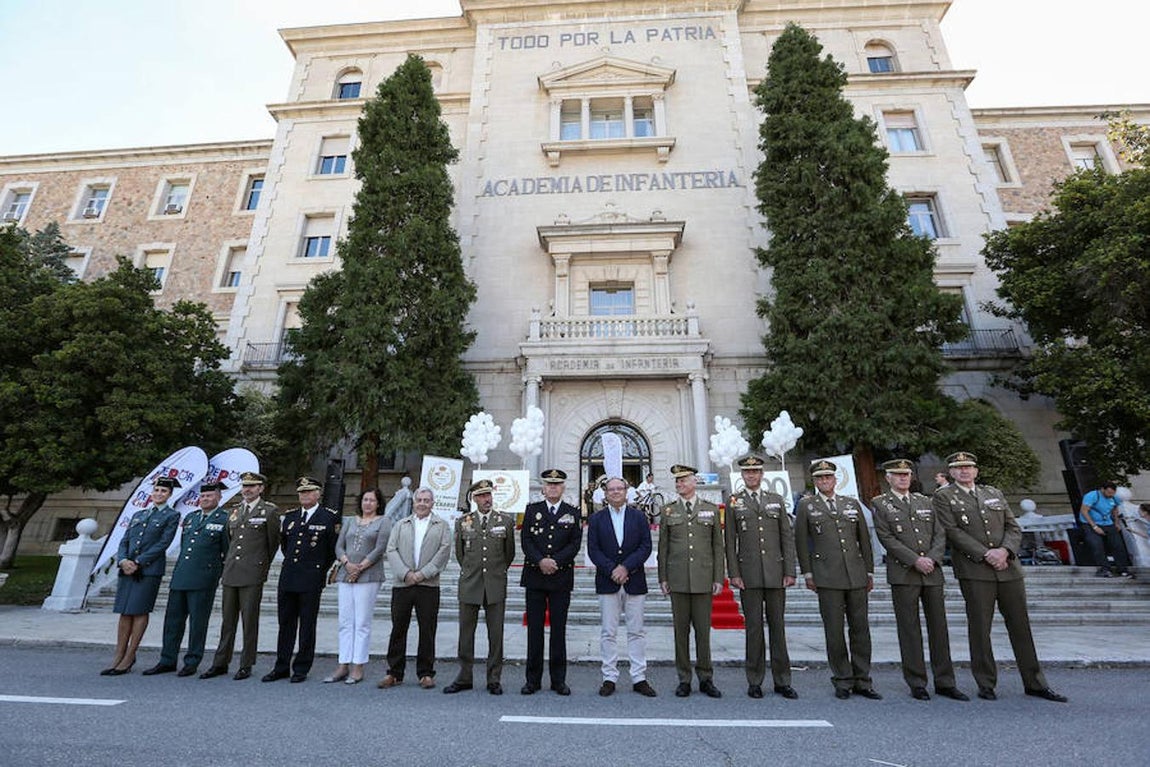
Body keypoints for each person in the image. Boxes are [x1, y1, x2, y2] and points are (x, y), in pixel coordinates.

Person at [933, 451, 1067, 702]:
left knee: (1021, 627)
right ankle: (986, 683)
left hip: (1008, 568)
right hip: (976, 570)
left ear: (976, 470)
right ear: (951, 472)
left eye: (969, 467)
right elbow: (951, 531)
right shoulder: (944, 497)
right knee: (980, 628)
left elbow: (1012, 526)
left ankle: (1035, 682)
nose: (965, 471)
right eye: (959, 468)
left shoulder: (993, 493)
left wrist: (1005, 551)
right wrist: (986, 554)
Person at [871, 459, 968, 702]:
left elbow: (940, 533)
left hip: (932, 572)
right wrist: (915, 560)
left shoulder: (926, 501)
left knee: (939, 628)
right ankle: (917, 681)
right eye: (897, 474)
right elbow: (886, 537)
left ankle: (945, 681)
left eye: (906, 474)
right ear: (888, 478)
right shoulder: (881, 504)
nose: (903, 478)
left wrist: (933, 559)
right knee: (909, 630)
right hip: (905, 573)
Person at [795, 459, 880, 700]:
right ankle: (842, 679)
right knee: (834, 631)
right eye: (820, 478)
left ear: (835, 479)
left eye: (828, 477)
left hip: (855, 574)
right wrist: (808, 573)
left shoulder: (850, 504)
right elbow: (802, 541)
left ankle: (863, 679)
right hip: (826, 575)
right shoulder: (807, 506)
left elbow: (864, 540)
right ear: (815, 481)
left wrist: (869, 571)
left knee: (860, 630)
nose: (824, 481)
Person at [725, 454, 797, 700]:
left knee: (778, 628)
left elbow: (786, 537)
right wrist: (734, 573)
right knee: (754, 630)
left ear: (762, 474)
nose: (751, 475)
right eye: (747, 472)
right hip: (749, 574)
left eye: (755, 471)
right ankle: (754, 680)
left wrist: (790, 570)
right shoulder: (734, 501)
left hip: (776, 574)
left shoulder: (776, 500)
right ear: (742, 475)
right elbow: (730, 541)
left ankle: (782, 680)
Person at [142, 481, 230, 677]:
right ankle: (167, 659)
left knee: (198, 623)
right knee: (172, 621)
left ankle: (192, 661)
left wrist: (216, 575)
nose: (205, 499)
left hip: (203, 578)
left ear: (218, 497)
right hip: (181, 576)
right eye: (203, 496)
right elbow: (184, 547)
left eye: (209, 496)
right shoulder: (190, 517)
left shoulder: (225, 519)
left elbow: (227, 551)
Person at [200, 471, 280, 681]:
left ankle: (246, 664)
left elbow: (272, 545)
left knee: (249, 621)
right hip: (231, 572)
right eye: (245, 486)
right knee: (227, 621)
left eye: (252, 486)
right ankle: (220, 662)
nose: (248, 489)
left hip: (252, 573)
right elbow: (229, 541)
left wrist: (261, 568)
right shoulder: (234, 512)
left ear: (261, 488)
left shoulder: (269, 512)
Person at [262, 476, 340, 683]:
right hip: (289, 576)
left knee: (307, 625)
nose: (304, 495)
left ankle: (301, 667)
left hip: (311, 578)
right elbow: (285, 545)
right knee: (285, 624)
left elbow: (332, 550)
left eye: (309, 492)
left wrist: (319, 571)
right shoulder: (290, 517)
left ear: (318, 494)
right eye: (301, 492)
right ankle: (281, 666)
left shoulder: (328, 518)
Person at [101, 477, 181, 675]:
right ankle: (118, 654)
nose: (159, 494)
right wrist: (123, 560)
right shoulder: (139, 514)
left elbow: (163, 543)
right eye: (157, 490)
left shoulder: (171, 515)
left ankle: (130, 655)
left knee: (139, 611)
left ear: (169, 494)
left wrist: (138, 562)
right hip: (127, 569)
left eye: (163, 491)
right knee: (124, 611)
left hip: (148, 570)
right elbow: (124, 541)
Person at [444, 479, 516, 695]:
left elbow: (509, 553)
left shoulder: (505, 521)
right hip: (470, 584)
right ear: (474, 499)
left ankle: (494, 678)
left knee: (496, 634)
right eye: (482, 496)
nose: (487, 499)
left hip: (495, 584)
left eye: (489, 495)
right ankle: (464, 676)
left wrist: (496, 572)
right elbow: (460, 554)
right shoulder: (463, 522)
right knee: (466, 633)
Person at [658, 464, 724, 699]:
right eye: (677, 481)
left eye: (684, 480)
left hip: (703, 578)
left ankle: (706, 677)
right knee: (681, 632)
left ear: (695, 482)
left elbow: (718, 546)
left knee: (703, 633)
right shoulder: (668, 511)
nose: (680, 485)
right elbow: (663, 548)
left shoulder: (711, 509)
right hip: (677, 580)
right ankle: (684, 678)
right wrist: (663, 578)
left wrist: (718, 577)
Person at [586, 476, 656, 697]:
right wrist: (612, 569)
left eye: (619, 489)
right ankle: (609, 677)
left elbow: (645, 546)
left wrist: (625, 567)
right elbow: (593, 549)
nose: (615, 492)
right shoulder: (597, 519)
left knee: (636, 632)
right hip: (608, 582)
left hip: (634, 580)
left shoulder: (639, 517)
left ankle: (639, 677)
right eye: (611, 489)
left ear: (627, 491)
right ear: (605, 493)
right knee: (608, 632)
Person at [381, 486, 452, 689]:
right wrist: (406, 574)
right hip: (402, 584)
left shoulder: (441, 526)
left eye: (426, 500)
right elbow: (391, 549)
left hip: (428, 585)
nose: (422, 503)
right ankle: (394, 672)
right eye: (419, 499)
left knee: (427, 630)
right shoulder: (401, 525)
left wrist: (422, 574)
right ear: (414, 502)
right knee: (398, 628)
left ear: (432, 503)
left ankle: (426, 673)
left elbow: (443, 552)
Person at [520, 468, 583, 696]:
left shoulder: (572, 512)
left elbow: (575, 543)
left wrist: (554, 561)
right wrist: (540, 561)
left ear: (563, 487)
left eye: (557, 484)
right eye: (549, 484)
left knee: (559, 631)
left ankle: (558, 680)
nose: (553, 487)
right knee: (534, 631)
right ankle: (532, 680)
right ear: (543, 488)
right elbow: (526, 540)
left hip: (560, 577)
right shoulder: (532, 510)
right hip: (535, 577)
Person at [324, 487, 392, 684]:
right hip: (346, 574)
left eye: (372, 500)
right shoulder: (350, 521)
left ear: (378, 503)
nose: (368, 503)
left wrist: (360, 567)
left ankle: (358, 666)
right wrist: (347, 563)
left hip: (368, 575)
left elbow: (380, 548)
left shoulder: (383, 522)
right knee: (345, 621)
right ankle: (343, 664)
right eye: (365, 500)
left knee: (361, 622)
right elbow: (339, 545)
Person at [1079, 482, 1134, 578]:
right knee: (1097, 544)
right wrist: (1095, 527)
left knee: (1118, 545)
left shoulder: (1114, 497)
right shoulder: (1092, 496)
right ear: (1102, 489)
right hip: (1090, 523)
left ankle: (1123, 569)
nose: (1110, 495)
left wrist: (1116, 522)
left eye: (1112, 493)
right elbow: (1084, 511)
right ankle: (1105, 569)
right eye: (1108, 493)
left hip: (1107, 522)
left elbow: (1115, 508)